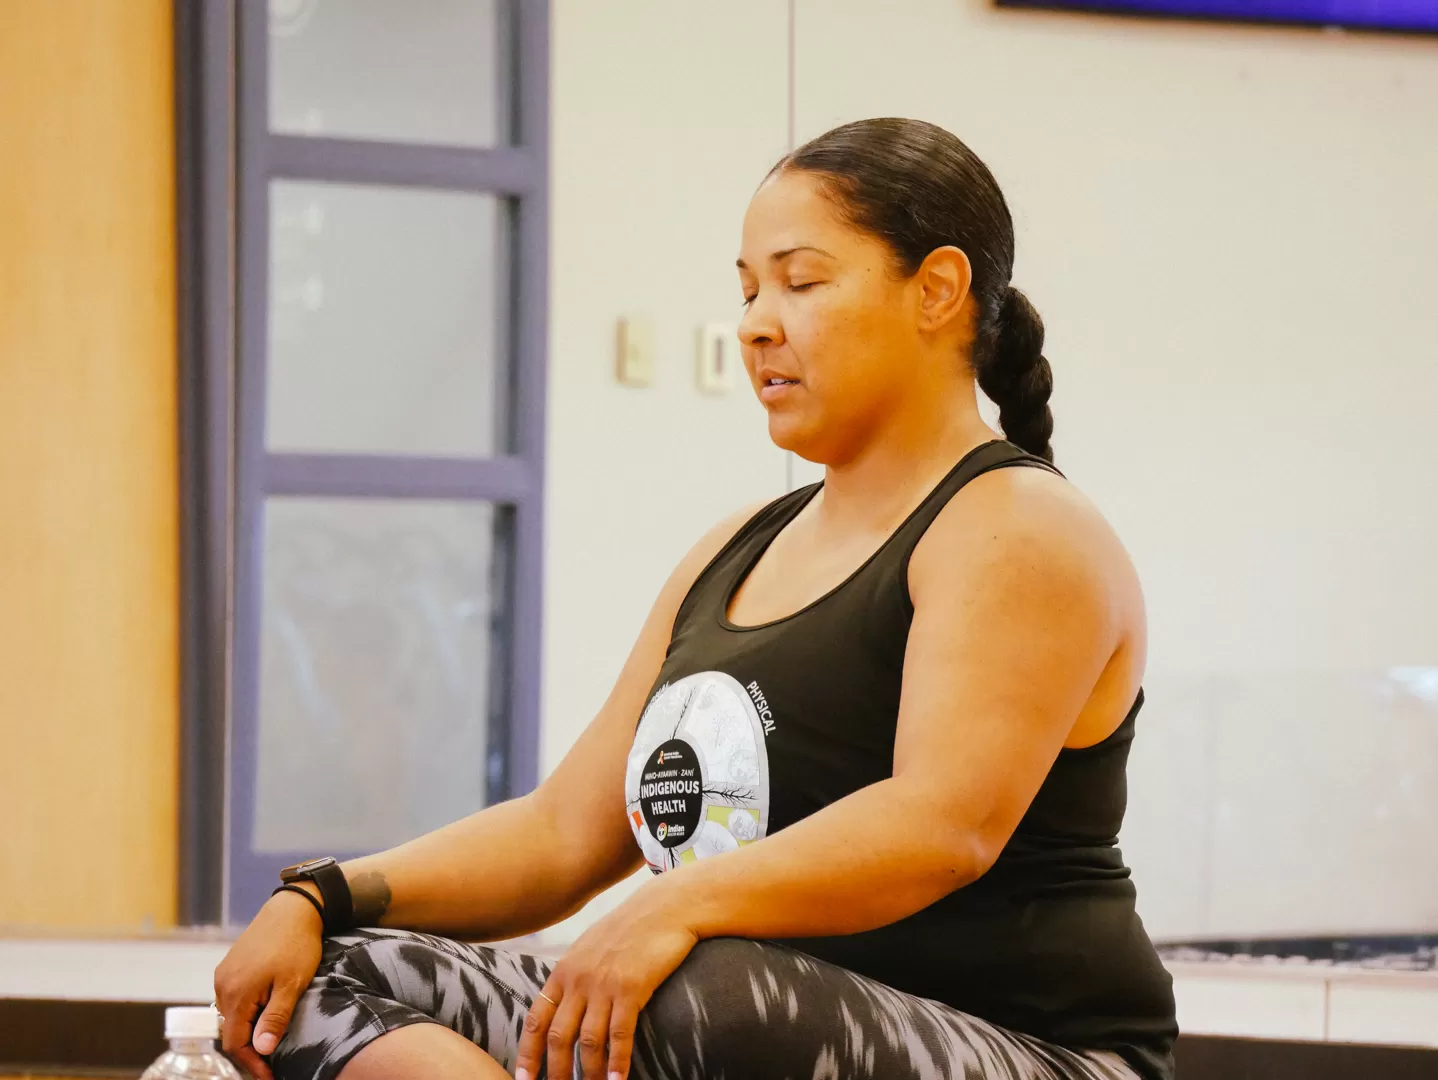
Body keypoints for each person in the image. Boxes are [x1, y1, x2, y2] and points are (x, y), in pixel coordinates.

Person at [215, 117, 1178, 1080]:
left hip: (1045, 1055)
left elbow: (941, 825)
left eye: (801, 282)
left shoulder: (1018, 525)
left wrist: (670, 905)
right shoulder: (733, 548)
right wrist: (321, 896)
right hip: (735, 1020)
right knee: (310, 985)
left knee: (701, 985)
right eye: (749, 289)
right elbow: (559, 836)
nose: (757, 321)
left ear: (936, 291)